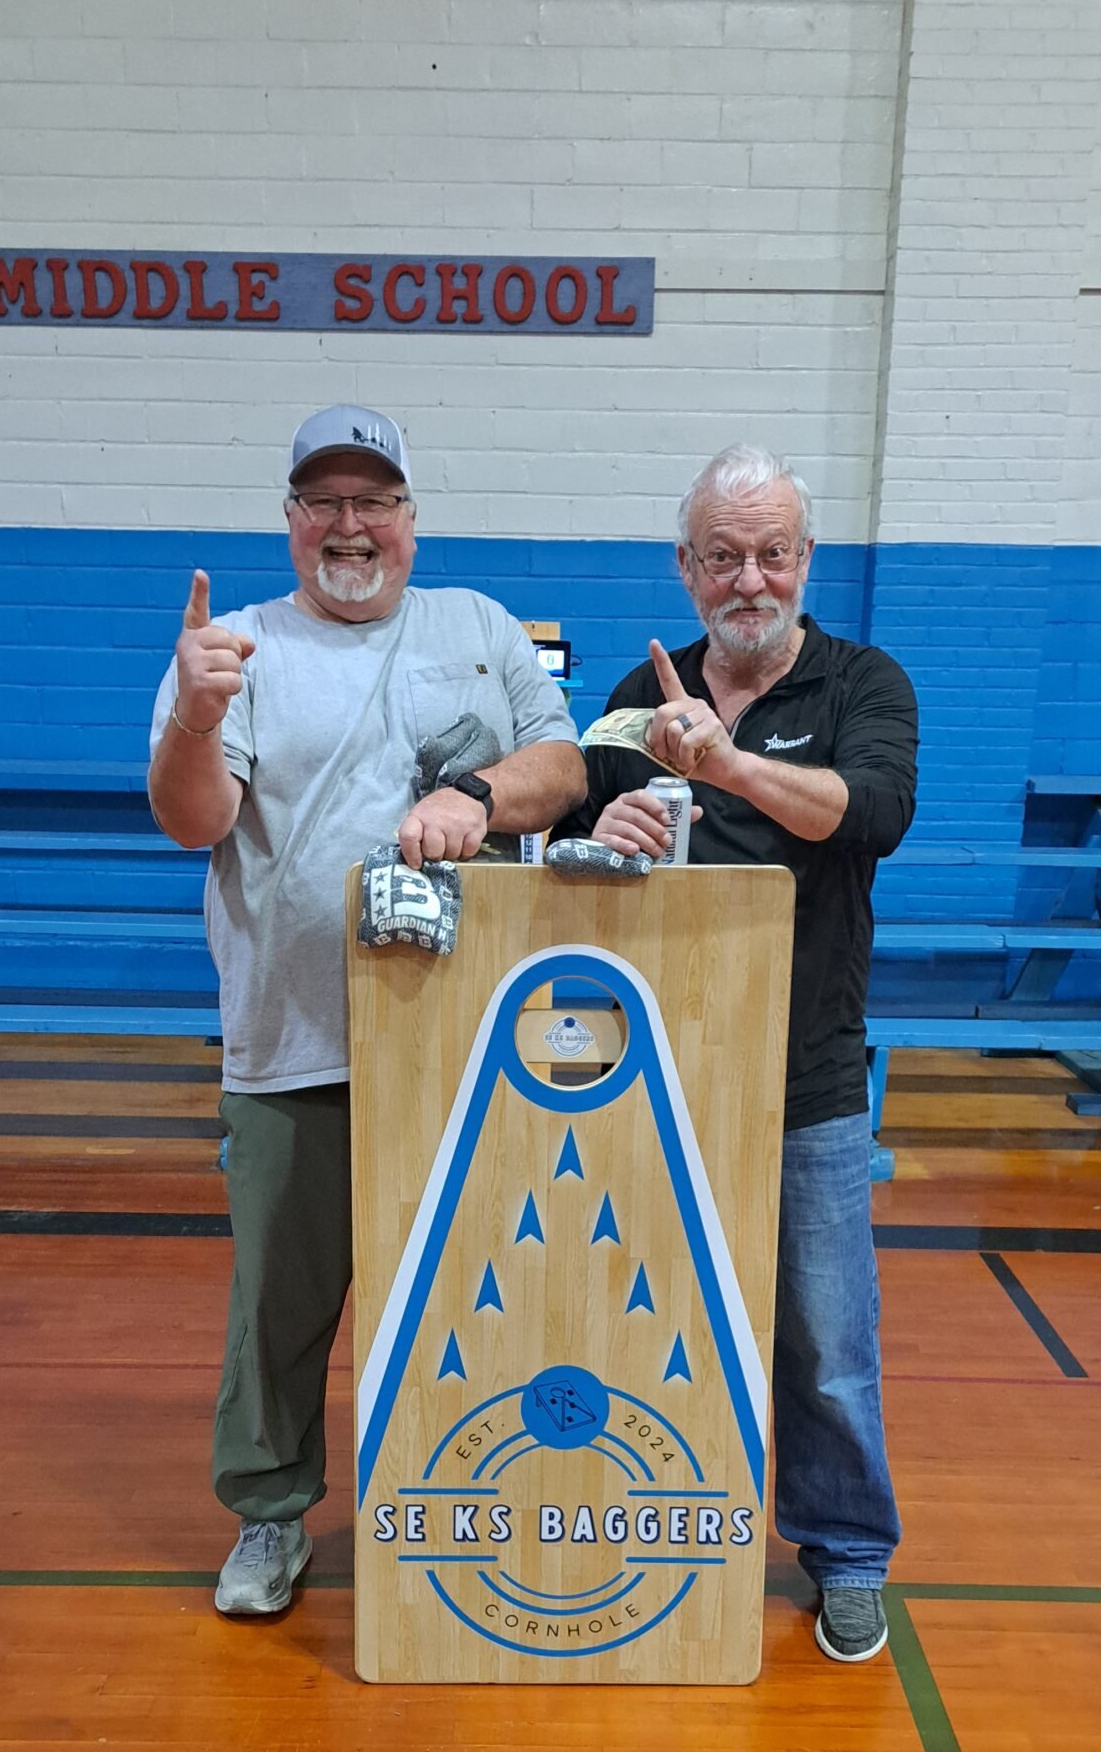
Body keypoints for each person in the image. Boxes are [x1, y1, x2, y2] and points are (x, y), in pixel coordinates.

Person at [148, 406, 584, 1615]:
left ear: (409, 518)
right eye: (324, 503)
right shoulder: (233, 647)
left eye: (373, 501)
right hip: (292, 1041)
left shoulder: (478, 625)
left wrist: (477, 794)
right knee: (280, 1306)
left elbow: (563, 768)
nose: (351, 526)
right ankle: (269, 1514)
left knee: (477, 1290)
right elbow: (191, 820)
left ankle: (470, 1502)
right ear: (291, 521)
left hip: (469, 1049)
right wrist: (194, 715)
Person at [562, 442, 918, 1663]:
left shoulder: (861, 682)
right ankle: (639, 1523)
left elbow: (868, 816)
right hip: (648, 1082)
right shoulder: (635, 694)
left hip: (803, 1079)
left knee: (824, 1348)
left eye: (770, 552)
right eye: (722, 556)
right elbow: (573, 860)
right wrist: (602, 825)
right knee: (636, 1314)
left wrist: (723, 763)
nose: (748, 579)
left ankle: (847, 1554)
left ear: (804, 558)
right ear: (686, 566)